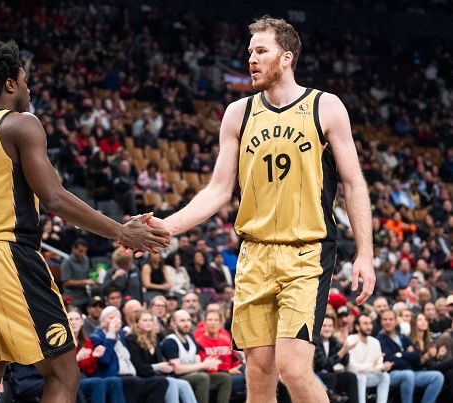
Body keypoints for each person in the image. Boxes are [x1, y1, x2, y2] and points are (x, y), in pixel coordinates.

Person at [146, 17, 375, 403]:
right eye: (249, 51)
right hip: (254, 253)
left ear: (286, 58)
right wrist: (167, 225)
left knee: (293, 367)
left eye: (261, 51)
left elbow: (353, 184)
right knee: (258, 369)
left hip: (307, 251)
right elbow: (218, 190)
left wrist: (365, 254)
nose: (251, 58)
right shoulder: (238, 113)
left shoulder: (326, 106)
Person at [0, 41, 170, 403]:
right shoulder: (21, 124)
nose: (28, 89)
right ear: (10, 85)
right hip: (7, 256)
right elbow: (55, 197)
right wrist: (122, 231)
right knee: (62, 374)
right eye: (25, 81)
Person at [89, 306, 168, 403]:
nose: (115, 321)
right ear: (103, 321)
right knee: (134, 382)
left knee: (161, 382)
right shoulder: (97, 337)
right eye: (111, 318)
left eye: (117, 318)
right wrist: (110, 334)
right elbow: (105, 360)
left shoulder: (122, 335)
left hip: (133, 375)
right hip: (116, 377)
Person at [161, 309, 232, 403]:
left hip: (194, 375)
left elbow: (198, 364)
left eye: (188, 320)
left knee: (224, 377)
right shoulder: (170, 341)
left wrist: (209, 363)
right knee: (202, 377)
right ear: (173, 323)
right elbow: (177, 370)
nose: (186, 323)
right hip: (177, 379)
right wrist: (203, 365)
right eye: (182, 321)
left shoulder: (191, 340)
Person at [127, 310, 197, 403]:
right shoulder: (131, 339)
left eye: (150, 320)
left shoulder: (155, 338)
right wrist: (158, 367)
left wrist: (167, 366)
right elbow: (138, 367)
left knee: (184, 384)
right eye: (144, 320)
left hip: (157, 376)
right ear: (137, 323)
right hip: (142, 377)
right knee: (170, 382)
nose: (148, 323)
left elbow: (160, 361)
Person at [377, 310, 444, 403]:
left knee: (438, 377)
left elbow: (416, 356)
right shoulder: (380, 339)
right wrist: (408, 355)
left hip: (411, 371)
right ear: (381, 322)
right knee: (408, 375)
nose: (388, 322)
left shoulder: (402, 337)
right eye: (385, 319)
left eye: (391, 319)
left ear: (396, 321)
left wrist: (400, 354)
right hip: (392, 374)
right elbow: (389, 359)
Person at [346, 313, 391, 403]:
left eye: (370, 323)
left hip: (369, 375)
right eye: (365, 323)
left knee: (385, 376)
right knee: (361, 376)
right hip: (355, 377)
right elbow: (351, 367)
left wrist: (382, 368)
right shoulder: (351, 339)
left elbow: (379, 365)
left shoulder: (375, 342)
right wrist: (373, 366)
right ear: (357, 326)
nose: (369, 326)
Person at [313, 316, 359, 403]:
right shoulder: (314, 340)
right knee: (331, 377)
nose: (327, 329)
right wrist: (343, 351)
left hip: (330, 376)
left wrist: (343, 343)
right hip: (316, 376)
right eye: (324, 326)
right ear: (318, 327)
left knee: (351, 377)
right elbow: (323, 365)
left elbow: (345, 362)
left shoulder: (333, 340)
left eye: (330, 326)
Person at [61, 239, 95, 310]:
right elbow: (66, 282)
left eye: (85, 252)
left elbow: (88, 274)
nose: (83, 254)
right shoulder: (67, 262)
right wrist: (85, 282)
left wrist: (94, 277)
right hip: (72, 297)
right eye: (80, 251)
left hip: (84, 295)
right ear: (73, 249)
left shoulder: (86, 259)